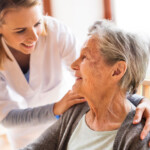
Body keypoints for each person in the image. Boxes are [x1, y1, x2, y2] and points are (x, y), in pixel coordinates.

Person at [0, 0, 150, 149]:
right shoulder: (75, 114)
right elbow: (6, 117)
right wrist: (55, 109)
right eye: (20, 30)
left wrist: (140, 100)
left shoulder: (136, 136)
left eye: (38, 23)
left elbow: (104, 78)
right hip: (25, 133)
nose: (34, 36)